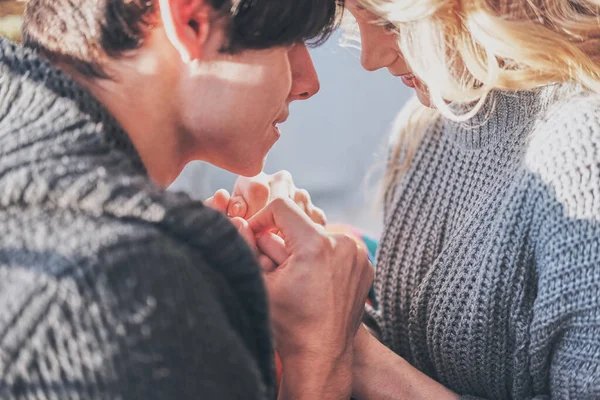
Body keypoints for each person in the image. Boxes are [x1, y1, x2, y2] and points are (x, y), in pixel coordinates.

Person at [218, 0, 600, 398]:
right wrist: (319, 283)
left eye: (390, 23)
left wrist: (344, 346)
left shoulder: (583, 152)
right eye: (357, 19)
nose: (370, 58)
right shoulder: (426, 128)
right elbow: (414, 353)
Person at [0, 0, 375, 398]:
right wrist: (318, 354)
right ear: (191, 20)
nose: (308, 82)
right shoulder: (130, 293)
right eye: (289, 41)